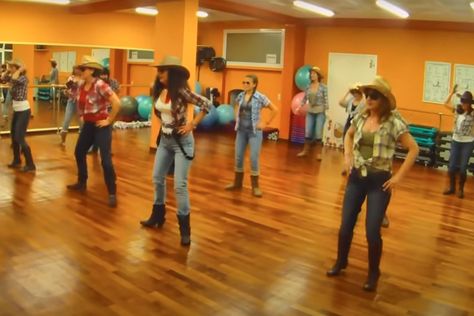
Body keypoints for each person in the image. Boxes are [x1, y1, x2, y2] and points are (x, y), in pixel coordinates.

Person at [326, 76, 419, 292]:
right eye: (367, 95)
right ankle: (341, 262)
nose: (368, 99)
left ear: (384, 99)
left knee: (371, 231)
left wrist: (398, 177)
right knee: (345, 225)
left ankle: (373, 272)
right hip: (357, 178)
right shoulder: (360, 115)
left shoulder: (394, 122)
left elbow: (414, 149)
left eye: (373, 96)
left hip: (379, 182)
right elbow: (348, 136)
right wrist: (347, 155)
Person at [140, 55, 212, 246]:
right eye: (158, 71)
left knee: (179, 185)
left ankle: (185, 230)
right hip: (164, 140)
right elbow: (160, 113)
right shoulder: (159, 90)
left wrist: (192, 124)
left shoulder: (181, 91)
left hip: (183, 143)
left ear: (171, 73)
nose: (159, 75)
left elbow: (207, 104)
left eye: (162, 71)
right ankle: (157, 216)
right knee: (157, 178)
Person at [66, 56, 121, 208]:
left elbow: (117, 102)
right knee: (79, 152)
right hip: (88, 125)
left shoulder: (100, 85)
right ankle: (82, 182)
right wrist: (82, 115)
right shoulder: (82, 84)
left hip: (101, 125)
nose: (80, 72)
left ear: (91, 70)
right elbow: (78, 100)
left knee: (106, 160)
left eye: (83, 69)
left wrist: (109, 120)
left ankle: (112, 192)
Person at [225, 74, 278, 197]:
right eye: (243, 82)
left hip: (254, 132)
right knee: (238, 156)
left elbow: (274, 109)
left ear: (254, 84)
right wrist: (236, 117)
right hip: (241, 131)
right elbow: (237, 105)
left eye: (248, 83)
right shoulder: (240, 96)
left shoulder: (260, 97)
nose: (244, 84)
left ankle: (255, 186)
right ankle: (237, 183)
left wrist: (266, 123)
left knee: (253, 158)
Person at [3, 59, 36, 172]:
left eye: (12, 67)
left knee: (19, 137)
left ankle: (31, 164)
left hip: (24, 111)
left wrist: (21, 69)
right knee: (13, 136)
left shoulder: (23, 78)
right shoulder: (13, 75)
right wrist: (7, 71)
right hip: (17, 110)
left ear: (17, 68)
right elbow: (2, 79)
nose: (10, 68)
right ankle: (17, 161)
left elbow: (14, 79)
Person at [443, 86, 474, 199]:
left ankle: (460, 189)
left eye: (466, 102)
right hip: (456, 140)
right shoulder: (457, 109)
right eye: (463, 101)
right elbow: (445, 103)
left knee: (463, 167)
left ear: (470, 103)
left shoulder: (473, 113)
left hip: (468, 142)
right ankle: (452, 188)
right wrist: (451, 93)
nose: (464, 104)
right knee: (451, 167)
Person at [297, 66, 328, 160]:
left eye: (314, 74)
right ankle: (305, 151)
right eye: (311, 74)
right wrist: (300, 106)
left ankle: (319, 153)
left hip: (320, 111)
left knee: (318, 132)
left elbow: (326, 100)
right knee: (308, 131)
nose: (312, 75)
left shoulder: (323, 87)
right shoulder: (308, 86)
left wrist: (326, 109)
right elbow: (305, 98)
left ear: (318, 75)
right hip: (310, 111)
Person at [88, 68, 121, 153]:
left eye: (105, 74)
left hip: (110, 109)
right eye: (102, 74)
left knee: (108, 130)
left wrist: (112, 97)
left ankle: (108, 150)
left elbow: (118, 90)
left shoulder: (113, 82)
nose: (103, 76)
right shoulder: (96, 83)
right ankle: (94, 147)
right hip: (99, 109)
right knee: (95, 128)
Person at [339, 84, 365, 176]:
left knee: (355, 145)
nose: (355, 94)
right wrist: (347, 92)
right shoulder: (351, 100)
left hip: (359, 123)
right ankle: (346, 165)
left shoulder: (364, 102)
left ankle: (353, 167)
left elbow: (367, 109)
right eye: (353, 92)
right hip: (349, 122)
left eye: (357, 92)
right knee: (346, 143)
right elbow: (341, 102)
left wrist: (363, 93)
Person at [59, 66, 81, 146]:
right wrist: (67, 92)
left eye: (78, 69)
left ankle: (82, 143)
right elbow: (67, 88)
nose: (77, 71)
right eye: (75, 69)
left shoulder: (84, 78)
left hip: (80, 102)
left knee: (82, 123)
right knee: (66, 120)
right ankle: (63, 141)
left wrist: (78, 83)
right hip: (71, 101)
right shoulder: (71, 78)